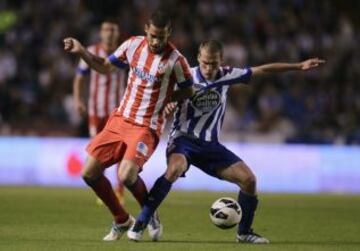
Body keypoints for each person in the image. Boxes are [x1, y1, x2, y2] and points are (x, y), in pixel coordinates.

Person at [128, 40, 325, 243]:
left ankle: (244, 232)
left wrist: (298, 66)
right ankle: (141, 222)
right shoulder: (184, 77)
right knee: (174, 169)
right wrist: (168, 106)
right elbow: (162, 98)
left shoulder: (227, 75)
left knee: (249, 181)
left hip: (210, 146)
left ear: (221, 61)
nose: (209, 68)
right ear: (198, 58)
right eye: (205, 63)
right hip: (183, 140)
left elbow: (263, 70)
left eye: (213, 63)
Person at [63, 10, 194, 241]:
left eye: (161, 37)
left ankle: (148, 212)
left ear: (169, 34)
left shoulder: (176, 60)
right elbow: (104, 66)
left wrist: (169, 99)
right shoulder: (132, 45)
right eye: (153, 36)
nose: (156, 42)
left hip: (146, 126)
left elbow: (189, 90)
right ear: (146, 30)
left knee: (125, 174)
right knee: (89, 173)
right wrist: (82, 50)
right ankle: (122, 219)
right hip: (120, 119)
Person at [73, 19, 127, 205]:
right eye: (106, 29)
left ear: (118, 33)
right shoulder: (90, 52)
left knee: (120, 152)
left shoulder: (125, 52)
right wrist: (78, 99)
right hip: (96, 110)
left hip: (118, 111)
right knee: (98, 152)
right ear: (101, 32)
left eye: (113, 29)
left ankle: (119, 191)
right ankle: (103, 189)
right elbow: (80, 78)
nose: (110, 33)